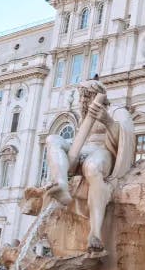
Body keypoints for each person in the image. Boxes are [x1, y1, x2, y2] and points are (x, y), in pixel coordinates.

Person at [44, 80, 135, 251]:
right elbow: (79, 142)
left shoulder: (116, 111)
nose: (83, 101)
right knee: (52, 139)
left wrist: (108, 121)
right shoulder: (85, 116)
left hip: (104, 152)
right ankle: (61, 184)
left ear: (96, 95)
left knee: (92, 167)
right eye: (82, 97)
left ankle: (95, 233)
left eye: (86, 96)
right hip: (84, 150)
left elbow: (126, 140)